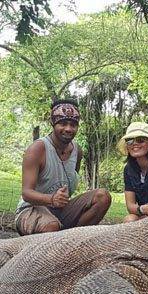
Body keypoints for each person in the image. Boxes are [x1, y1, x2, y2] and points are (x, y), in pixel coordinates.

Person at [15, 100, 112, 236]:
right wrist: (52, 199)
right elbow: (26, 193)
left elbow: (69, 184)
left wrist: (59, 202)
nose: (68, 129)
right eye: (62, 123)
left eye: (73, 125)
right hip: (31, 209)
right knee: (51, 226)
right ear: (53, 124)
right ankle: (58, 239)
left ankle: (72, 239)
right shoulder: (38, 149)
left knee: (103, 196)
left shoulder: (77, 151)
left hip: (60, 211)